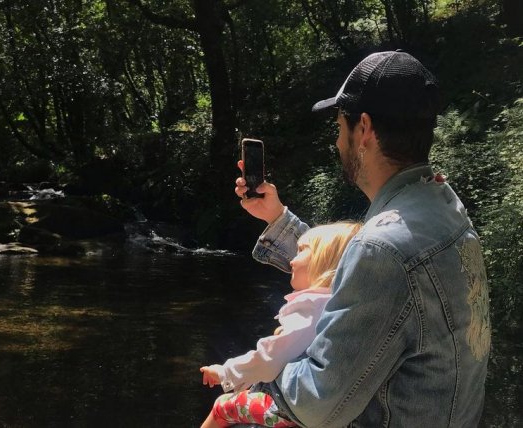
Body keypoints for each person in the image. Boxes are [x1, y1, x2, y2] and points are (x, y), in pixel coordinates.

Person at [233, 51, 491, 427]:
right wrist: (277, 219)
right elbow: (369, 285)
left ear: (365, 129)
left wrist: (258, 367)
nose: (338, 143)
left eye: (340, 128)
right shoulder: (443, 205)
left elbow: (315, 405)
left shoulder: (384, 250)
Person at [200, 222, 362, 428]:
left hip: (290, 415)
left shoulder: (312, 308)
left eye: (302, 251)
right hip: (326, 411)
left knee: (222, 406)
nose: (291, 261)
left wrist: (225, 372)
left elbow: (270, 358)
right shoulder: (342, 305)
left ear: (325, 260)